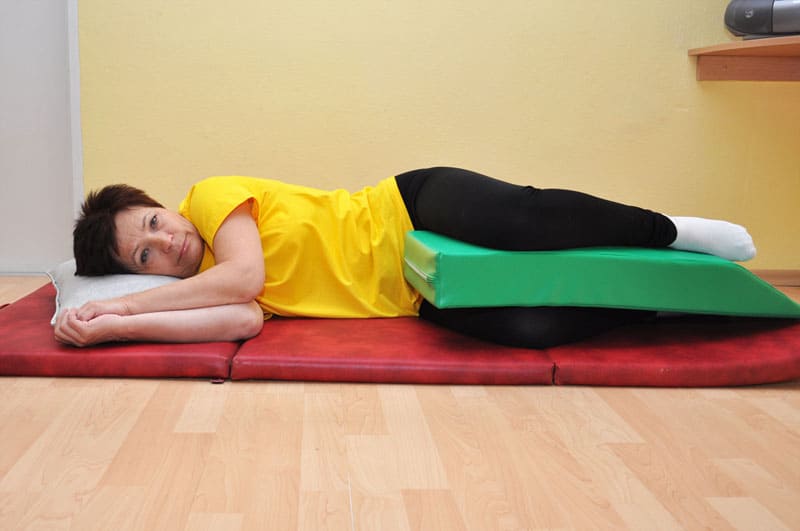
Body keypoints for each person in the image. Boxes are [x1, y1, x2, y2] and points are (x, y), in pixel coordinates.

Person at [54, 167, 756, 348]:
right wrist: (117, 327)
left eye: (154, 222)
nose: (166, 241)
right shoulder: (212, 294)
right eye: (145, 256)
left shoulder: (211, 199)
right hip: (416, 295)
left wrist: (123, 300)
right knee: (529, 328)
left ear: (165, 205)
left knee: (526, 221)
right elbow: (241, 318)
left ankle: (670, 231)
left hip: (409, 207)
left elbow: (245, 276)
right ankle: (658, 304)